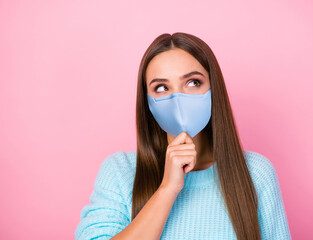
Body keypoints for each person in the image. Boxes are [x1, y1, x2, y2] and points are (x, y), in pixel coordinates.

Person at [75, 32, 292, 240]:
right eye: (161, 87)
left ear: (213, 88)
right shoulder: (119, 171)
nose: (177, 98)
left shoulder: (256, 173)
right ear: (147, 102)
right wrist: (167, 189)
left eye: (193, 82)